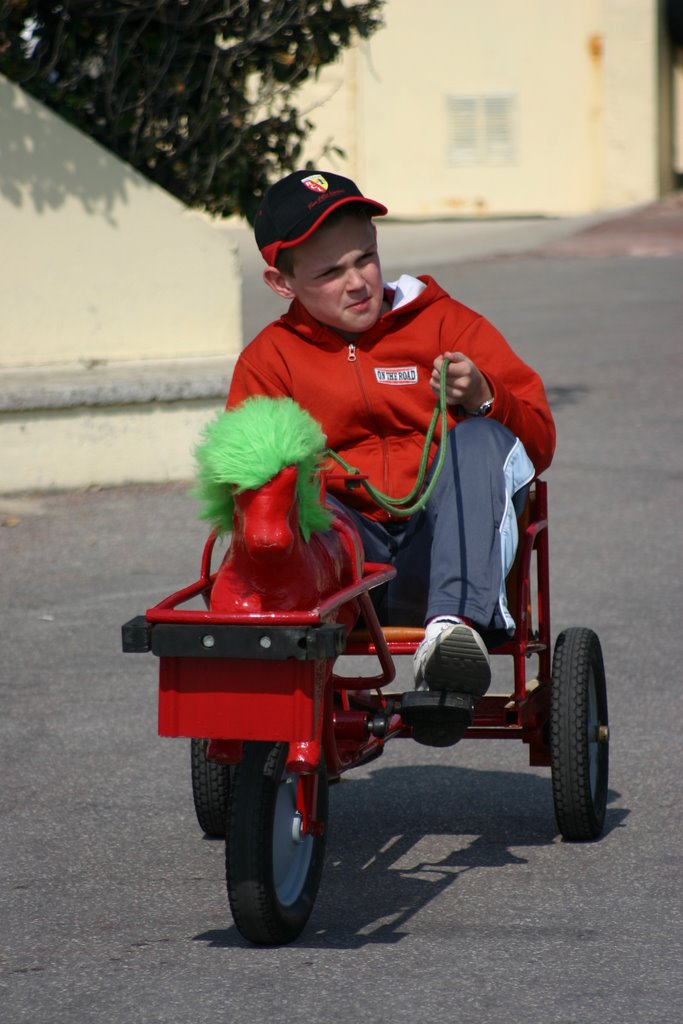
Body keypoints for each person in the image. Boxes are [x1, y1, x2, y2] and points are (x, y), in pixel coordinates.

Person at [227, 169, 556, 745]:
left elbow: (539, 442)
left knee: (479, 438)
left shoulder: (446, 325)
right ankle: (284, 685)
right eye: (330, 272)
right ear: (281, 283)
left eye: (365, 258)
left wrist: (484, 398)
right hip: (346, 570)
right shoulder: (269, 361)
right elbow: (245, 489)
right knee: (279, 482)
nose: (357, 283)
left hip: (449, 554)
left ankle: (450, 642)